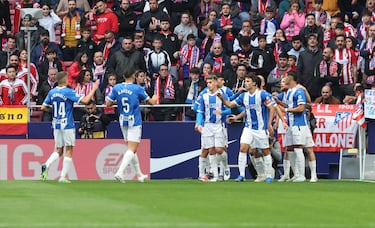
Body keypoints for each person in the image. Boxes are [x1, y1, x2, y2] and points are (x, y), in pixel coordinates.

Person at [40, 72, 100, 183]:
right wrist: (94, 88)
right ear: (64, 80)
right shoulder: (68, 92)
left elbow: (43, 107)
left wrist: (53, 112)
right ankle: (63, 177)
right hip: (67, 124)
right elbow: (86, 101)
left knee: (59, 150)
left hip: (56, 123)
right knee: (69, 149)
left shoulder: (52, 92)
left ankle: (46, 165)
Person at [218, 74, 275, 182]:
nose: (245, 83)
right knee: (243, 148)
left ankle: (268, 175)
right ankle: (241, 175)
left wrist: (269, 123)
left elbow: (272, 108)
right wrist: (222, 98)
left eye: (248, 81)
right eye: (245, 81)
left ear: (254, 83)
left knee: (265, 151)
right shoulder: (244, 96)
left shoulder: (262, 94)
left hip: (260, 128)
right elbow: (230, 104)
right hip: (248, 127)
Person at [107, 68, 158, 183]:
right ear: (134, 76)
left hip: (122, 120)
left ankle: (139, 175)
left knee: (132, 149)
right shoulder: (137, 88)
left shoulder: (117, 88)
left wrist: (118, 100)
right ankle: (120, 172)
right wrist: (155, 98)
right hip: (134, 121)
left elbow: (108, 103)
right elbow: (151, 103)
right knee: (132, 149)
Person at [195, 74, 230, 182]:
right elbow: (200, 111)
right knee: (210, 150)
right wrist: (198, 123)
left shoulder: (222, 94)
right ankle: (214, 175)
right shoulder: (204, 95)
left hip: (219, 125)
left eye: (210, 82)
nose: (209, 85)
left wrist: (222, 112)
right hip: (207, 126)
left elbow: (230, 109)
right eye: (207, 83)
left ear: (215, 82)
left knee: (220, 149)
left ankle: (225, 166)